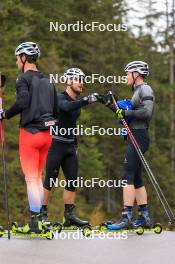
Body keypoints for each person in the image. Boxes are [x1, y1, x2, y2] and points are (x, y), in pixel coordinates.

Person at [0, 42, 58, 233]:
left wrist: (5, 114)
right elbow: (56, 108)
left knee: (31, 178)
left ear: (24, 58)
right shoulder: (48, 80)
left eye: (17, 58)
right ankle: (41, 217)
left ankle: (35, 221)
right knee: (37, 177)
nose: (17, 61)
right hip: (48, 135)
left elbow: (22, 102)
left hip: (30, 135)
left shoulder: (22, 79)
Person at [42, 67, 99, 227]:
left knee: (72, 180)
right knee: (50, 179)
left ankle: (69, 216)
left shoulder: (76, 103)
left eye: (83, 80)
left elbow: (72, 125)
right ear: (68, 81)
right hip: (55, 144)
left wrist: (75, 144)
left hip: (69, 146)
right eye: (78, 79)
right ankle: (41, 214)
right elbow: (66, 107)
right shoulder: (59, 97)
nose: (81, 83)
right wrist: (87, 100)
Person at [104, 61, 155, 230]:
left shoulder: (145, 89)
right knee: (137, 177)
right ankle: (144, 216)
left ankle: (126, 217)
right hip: (135, 134)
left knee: (127, 175)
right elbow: (128, 114)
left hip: (139, 136)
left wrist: (126, 112)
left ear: (136, 74)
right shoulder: (137, 91)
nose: (125, 77)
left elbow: (146, 113)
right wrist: (112, 106)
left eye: (127, 74)